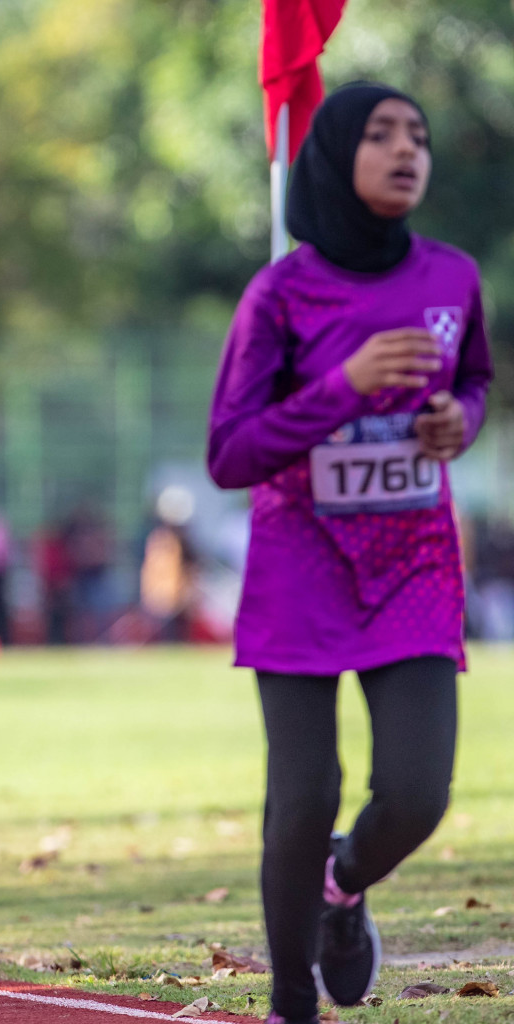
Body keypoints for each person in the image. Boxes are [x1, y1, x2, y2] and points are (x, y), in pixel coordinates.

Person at [207, 84, 492, 1024]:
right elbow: (230, 453)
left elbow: (476, 381)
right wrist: (342, 386)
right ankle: (292, 1001)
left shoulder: (453, 275)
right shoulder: (280, 292)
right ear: (336, 156)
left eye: (418, 133)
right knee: (302, 794)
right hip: (301, 569)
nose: (407, 149)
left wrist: (462, 420)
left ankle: (345, 881)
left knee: (417, 790)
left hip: (414, 565)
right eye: (381, 135)